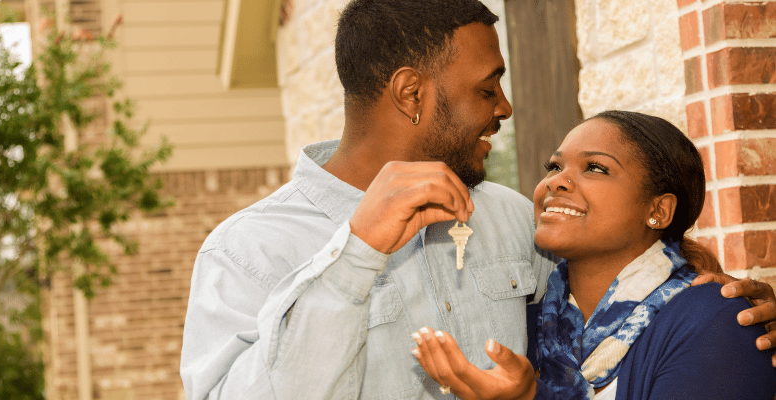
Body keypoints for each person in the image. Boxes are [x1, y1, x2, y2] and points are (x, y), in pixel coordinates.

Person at [180, 1, 776, 398]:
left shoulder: (509, 217)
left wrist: (699, 280)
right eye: (487, 88)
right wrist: (355, 253)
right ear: (412, 93)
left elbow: (610, 285)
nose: (505, 109)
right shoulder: (248, 251)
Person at [410, 111, 776, 399]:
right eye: (554, 167)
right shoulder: (528, 327)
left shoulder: (717, 319)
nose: (556, 181)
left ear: (658, 211)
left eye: (596, 168)